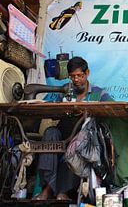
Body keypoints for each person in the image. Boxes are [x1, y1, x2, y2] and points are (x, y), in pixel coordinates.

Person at [34, 56, 113, 200]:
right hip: (63, 132)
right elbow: (51, 109)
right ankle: (48, 187)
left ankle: (62, 191)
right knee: (50, 133)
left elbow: (113, 107)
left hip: (84, 138)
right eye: (72, 77)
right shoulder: (65, 91)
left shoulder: (98, 93)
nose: (76, 80)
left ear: (87, 73)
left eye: (79, 76)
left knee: (76, 144)